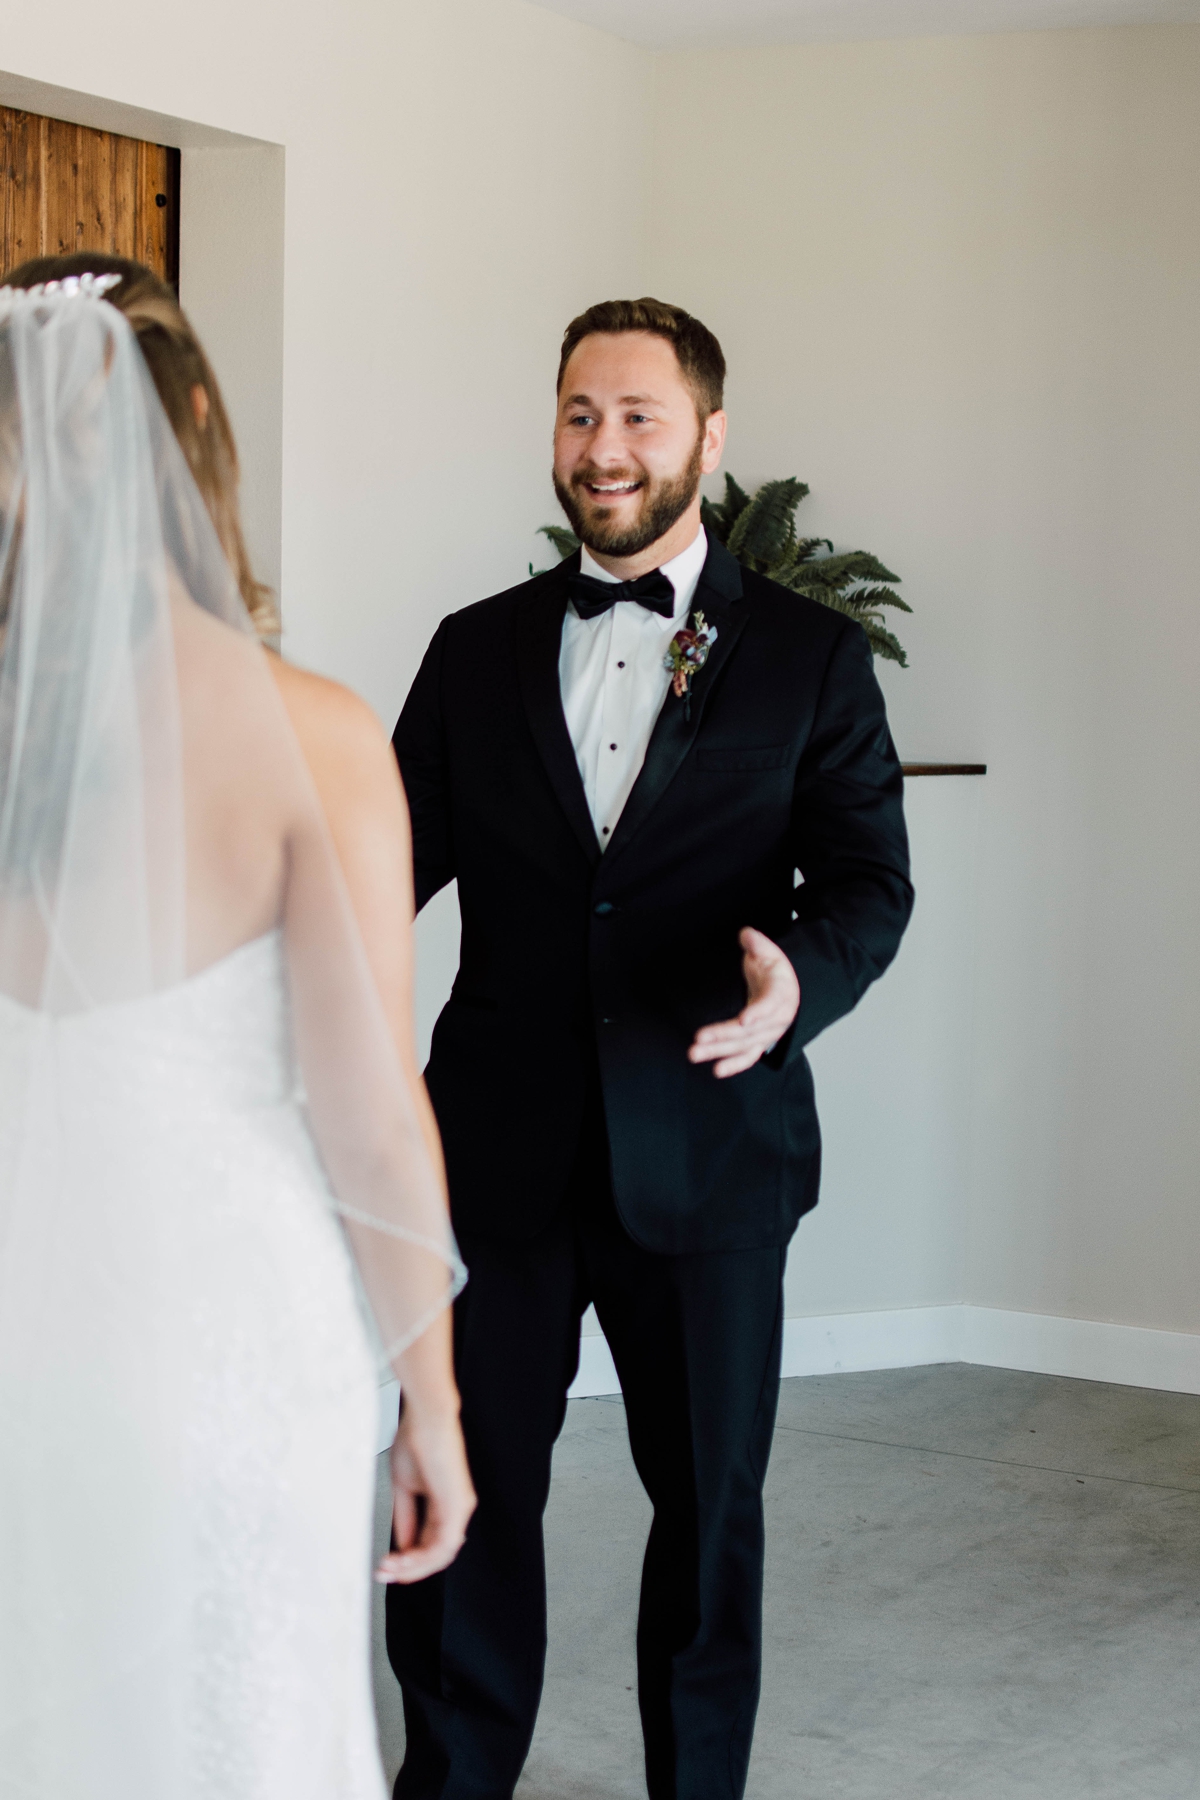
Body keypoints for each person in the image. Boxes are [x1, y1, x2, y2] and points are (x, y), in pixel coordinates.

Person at [387, 296, 915, 1800]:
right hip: (493, 1154)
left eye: (635, 416)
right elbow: (378, 867)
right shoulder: (474, 649)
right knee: (465, 1496)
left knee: (707, 1517)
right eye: (579, 415)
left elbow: (870, 885)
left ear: (709, 438)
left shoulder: (809, 660)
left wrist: (795, 981)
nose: (603, 448)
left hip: (712, 1146)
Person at [0, 257, 474, 1799]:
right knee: (242, 1736)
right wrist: (438, 1403)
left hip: (26, 1345)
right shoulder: (310, 734)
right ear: (194, 425)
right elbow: (375, 1121)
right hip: (229, 1352)